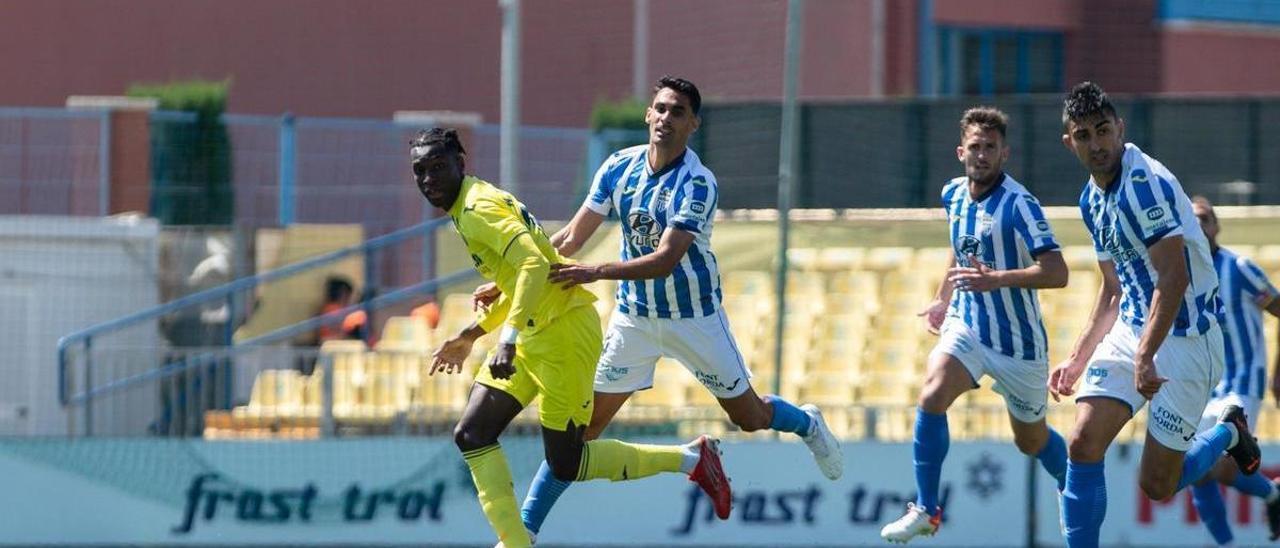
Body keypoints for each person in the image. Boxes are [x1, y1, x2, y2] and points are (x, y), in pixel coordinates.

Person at [473, 76, 840, 539]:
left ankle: (807, 422)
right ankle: (523, 534)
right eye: (661, 109)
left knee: (748, 418)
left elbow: (667, 259)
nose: (666, 118)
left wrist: (596, 272)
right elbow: (568, 238)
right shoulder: (617, 167)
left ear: (693, 125)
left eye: (678, 112)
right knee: (578, 434)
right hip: (635, 321)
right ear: (649, 115)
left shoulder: (699, 184)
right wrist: (506, 283)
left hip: (695, 319)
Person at [411, 128, 731, 548]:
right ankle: (516, 543)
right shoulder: (470, 204)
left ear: (460, 163)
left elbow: (530, 268)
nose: (429, 179)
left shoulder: (477, 209)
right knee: (471, 433)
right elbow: (535, 274)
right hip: (533, 334)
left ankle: (691, 459)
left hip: (563, 335)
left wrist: (503, 338)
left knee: (567, 463)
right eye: (421, 171)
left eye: (438, 167)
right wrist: (472, 334)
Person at [1048, 81, 1261, 548]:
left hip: (1186, 342)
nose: (1096, 143)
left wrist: (1146, 356)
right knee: (1081, 444)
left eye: (1103, 130)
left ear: (1120, 128)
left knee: (1158, 486)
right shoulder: (1090, 198)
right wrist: (1078, 358)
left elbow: (1174, 277)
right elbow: (1112, 289)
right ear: (1070, 143)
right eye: (1084, 135)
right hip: (1134, 329)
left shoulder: (1144, 186)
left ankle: (1227, 432)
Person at [880, 107, 1071, 543]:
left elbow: (1058, 273)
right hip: (969, 325)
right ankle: (926, 509)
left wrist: (996, 280)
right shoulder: (953, 194)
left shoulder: (1020, 205)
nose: (981, 155)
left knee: (1031, 440)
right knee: (931, 395)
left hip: (1018, 345)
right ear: (960, 151)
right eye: (975, 147)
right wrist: (942, 299)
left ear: (1005, 153)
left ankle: (1071, 482)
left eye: (991, 147)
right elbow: (960, 248)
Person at [1186, 196, 1280, 544]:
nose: (1198, 225)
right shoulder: (1179, 274)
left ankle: (1272, 495)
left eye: (1205, 219)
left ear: (1216, 227)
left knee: (1224, 468)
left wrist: (1278, 369)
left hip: (1243, 382)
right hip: (1202, 387)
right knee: (1198, 471)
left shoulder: (1240, 268)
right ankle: (1268, 499)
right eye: (1191, 219)